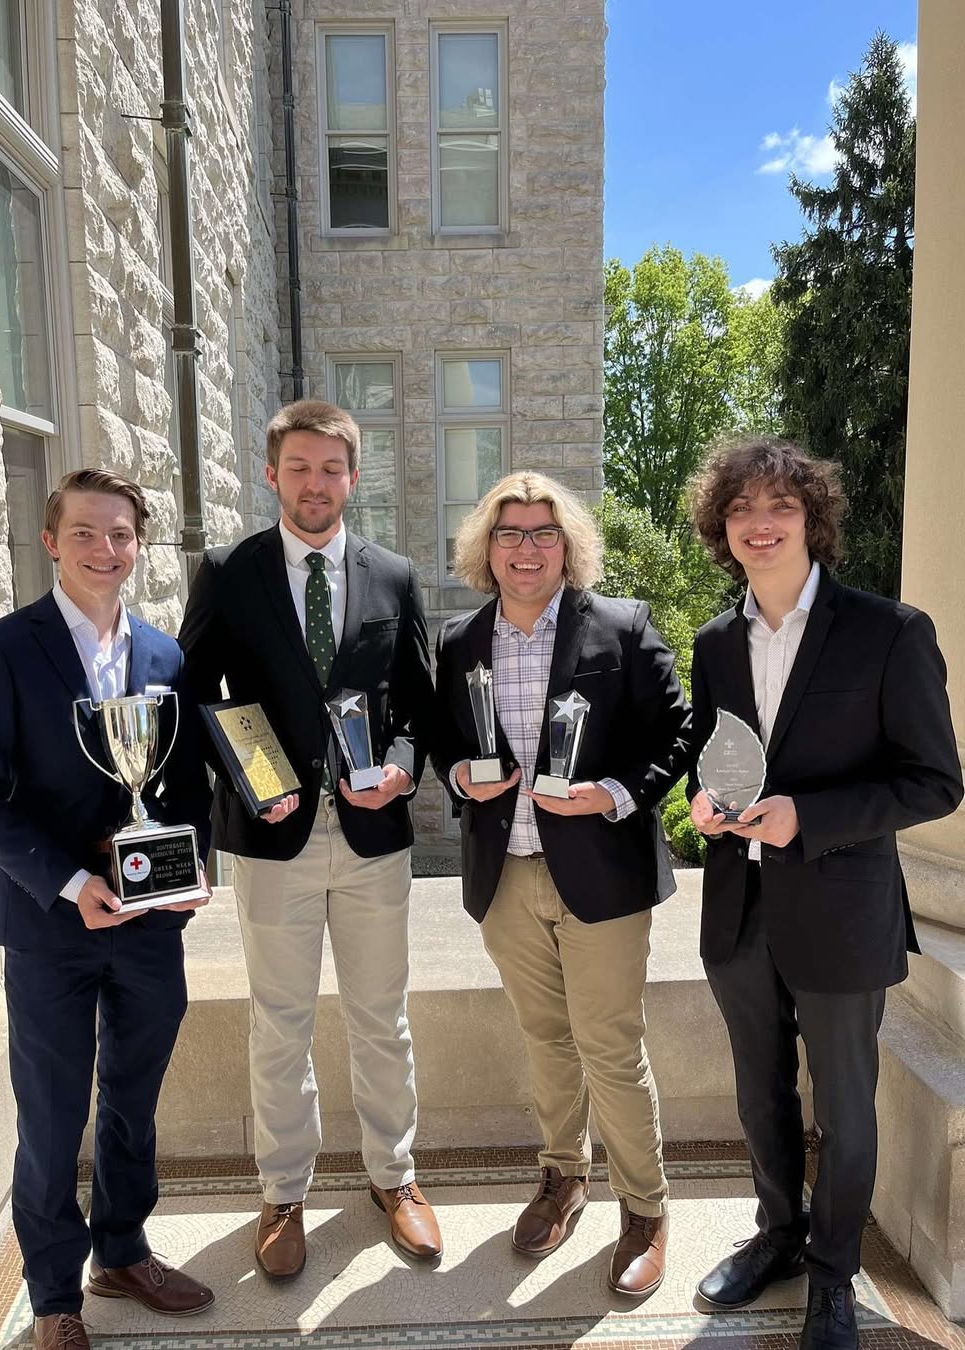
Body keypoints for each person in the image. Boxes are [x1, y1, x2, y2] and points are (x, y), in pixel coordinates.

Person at [686, 439, 963, 1350]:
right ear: (722, 529)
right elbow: (716, 755)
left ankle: (834, 1275)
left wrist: (807, 817)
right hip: (739, 909)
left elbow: (934, 782)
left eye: (781, 506)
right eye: (741, 509)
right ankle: (777, 1235)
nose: (760, 524)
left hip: (843, 912)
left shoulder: (890, 631)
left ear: (813, 519)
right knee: (760, 1095)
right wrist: (703, 802)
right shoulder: (715, 643)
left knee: (844, 1111)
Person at [0, 470, 215, 1350]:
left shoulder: (164, 656)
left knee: (133, 1102)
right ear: (50, 542)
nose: (106, 550)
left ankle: (123, 1252)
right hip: (49, 925)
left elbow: (182, 788)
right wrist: (70, 884)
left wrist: (190, 867)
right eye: (86, 533)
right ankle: (55, 1296)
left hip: (148, 926)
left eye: (122, 534)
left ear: (139, 544)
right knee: (53, 1115)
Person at [178, 399, 439, 1279]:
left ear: (353, 477)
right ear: (271, 473)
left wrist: (399, 767)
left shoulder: (393, 575)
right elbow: (194, 693)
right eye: (299, 467)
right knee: (278, 1024)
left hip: (373, 836)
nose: (315, 483)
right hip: (271, 839)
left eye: (331, 468)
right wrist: (248, 779)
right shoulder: (228, 571)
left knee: (382, 1018)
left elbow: (419, 705)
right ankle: (283, 1192)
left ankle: (394, 1178)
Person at [431, 471, 690, 1296]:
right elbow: (443, 737)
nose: (527, 549)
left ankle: (645, 1210)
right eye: (509, 533)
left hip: (603, 877)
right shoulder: (460, 641)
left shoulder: (621, 626)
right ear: (486, 548)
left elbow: (677, 733)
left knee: (609, 1045)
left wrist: (613, 794)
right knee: (546, 1038)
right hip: (504, 875)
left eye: (544, 533)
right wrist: (457, 777)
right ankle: (564, 1177)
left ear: (567, 546)